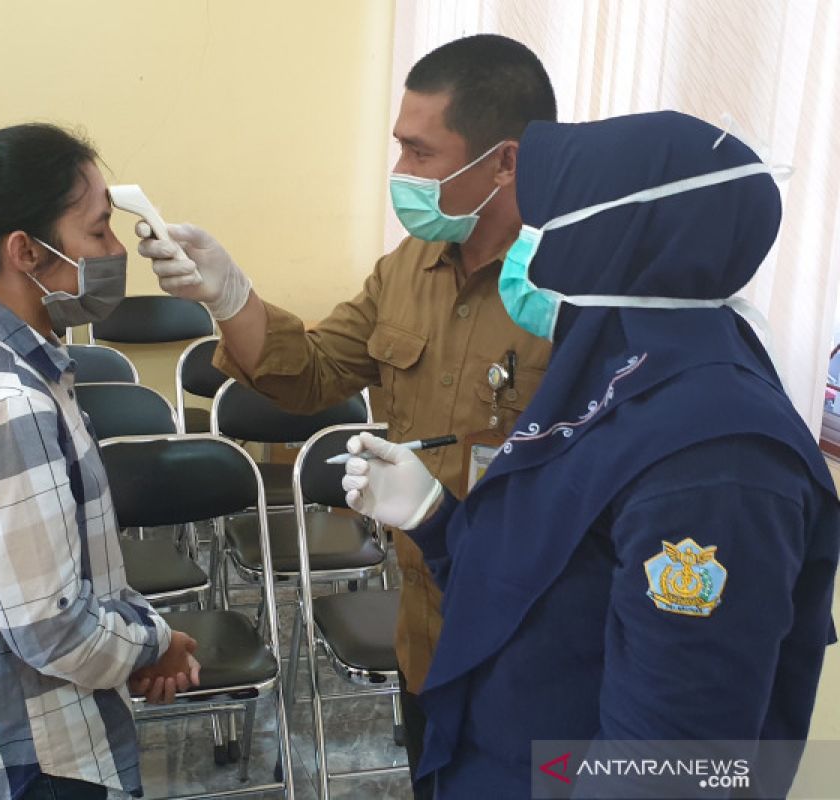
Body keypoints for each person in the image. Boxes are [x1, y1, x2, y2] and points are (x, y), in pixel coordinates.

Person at [341, 111, 840, 797]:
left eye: (537, 223)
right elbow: (557, 591)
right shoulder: (613, 369)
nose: (519, 247)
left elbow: (670, 771)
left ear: (615, 237)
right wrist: (435, 520)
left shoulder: (717, 456)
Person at [135, 33, 556, 795]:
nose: (402, 175)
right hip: (427, 623)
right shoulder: (407, 270)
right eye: (399, 147)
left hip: (535, 631)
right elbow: (317, 370)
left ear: (505, 162)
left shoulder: (568, 285)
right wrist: (229, 298)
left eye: (421, 153)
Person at [0, 123, 200, 800]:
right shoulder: (5, 403)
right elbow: (52, 629)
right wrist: (156, 644)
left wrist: (133, 646)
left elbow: (60, 583)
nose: (117, 251)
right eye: (97, 231)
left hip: (41, 733)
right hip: (27, 757)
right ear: (26, 251)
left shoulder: (27, 371)